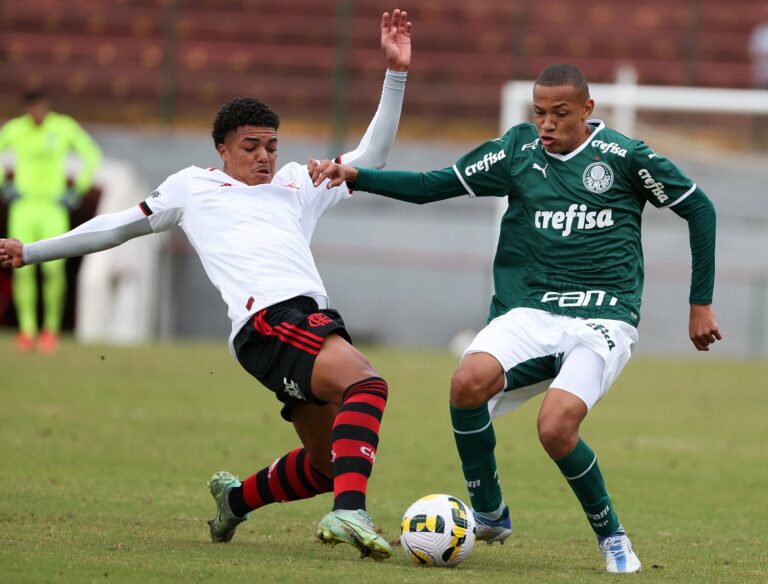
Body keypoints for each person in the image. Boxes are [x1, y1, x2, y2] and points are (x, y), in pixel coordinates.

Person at [0, 9, 412, 561]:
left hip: (298, 324)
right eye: (251, 146)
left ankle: (235, 501)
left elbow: (373, 158)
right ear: (222, 149)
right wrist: (32, 251)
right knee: (368, 383)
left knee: (324, 465)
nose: (265, 156)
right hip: (270, 321)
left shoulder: (297, 182)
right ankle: (350, 512)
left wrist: (395, 74)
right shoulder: (192, 188)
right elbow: (116, 225)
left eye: (271, 144)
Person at [308, 63, 722, 573]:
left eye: (560, 114)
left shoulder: (624, 157)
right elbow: (430, 185)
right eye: (540, 112)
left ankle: (613, 537)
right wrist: (357, 175)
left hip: (604, 317)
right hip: (527, 309)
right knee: (466, 382)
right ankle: (489, 512)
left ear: (588, 110)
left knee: (555, 428)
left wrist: (699, 301)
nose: (547, 124)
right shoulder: (517, 152)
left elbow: (699, 208)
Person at [0, 89, 102, 353]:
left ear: (46, 106)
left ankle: (50, 329)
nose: (37, 112)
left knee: (53, 270)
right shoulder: (15, 129)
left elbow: (91, 155)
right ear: (27, 108)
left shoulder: (63, 127)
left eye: (40, 107)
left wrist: (76, 190)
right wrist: (5, 184)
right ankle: (27, 329)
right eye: (32, 107)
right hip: (24, 207)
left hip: (53, 208)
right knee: (21, 268)